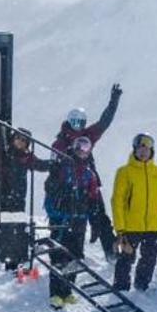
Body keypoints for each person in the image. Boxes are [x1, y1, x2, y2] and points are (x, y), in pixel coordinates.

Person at [53, 84, 124, 259]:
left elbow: (104, 122)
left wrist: (113, 101)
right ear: (69, 122)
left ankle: (110, 251)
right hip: (69, 186)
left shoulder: (87, 135)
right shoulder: (61, 141)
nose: (77, 126)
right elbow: (55, 166)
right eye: (74, 122)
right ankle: (68, 254)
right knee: (70, 221)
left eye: (80, 123)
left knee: (100, 216)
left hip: (89, 181)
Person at [42, 136, 102, 307]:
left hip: (79, 221)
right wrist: (55, 213)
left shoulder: (89, 174)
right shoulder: (63, 168)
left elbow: (93, 198)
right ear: (74, 148)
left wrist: (94, 220)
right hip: (61, 219)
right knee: (58, 256)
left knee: (75, 257)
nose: (82, 151)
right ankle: (55, 293)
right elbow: (49, 191)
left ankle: (67, 291)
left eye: (86, 148)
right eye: (79, 147)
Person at [108, 132, 157, 293]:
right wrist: (120, 228)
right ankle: (121, 287)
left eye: (147, 149)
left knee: (149, 259)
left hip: (152, 226)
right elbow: (117, 201)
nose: (143, 152)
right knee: (126, 257)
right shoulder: (125, 172)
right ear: (135, 150)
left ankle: (142, 285)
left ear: (152, 151)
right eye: (140, 149)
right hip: (131, 226)